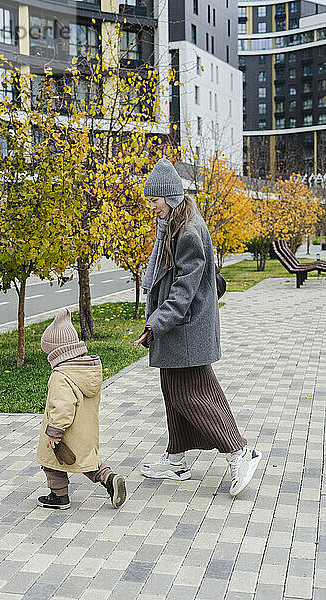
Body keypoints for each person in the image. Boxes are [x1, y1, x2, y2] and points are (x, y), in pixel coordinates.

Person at [134, 158, 261, 497]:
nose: (151, 205)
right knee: (175, 392)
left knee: (194, 396)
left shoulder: (187, 232)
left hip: (185, 329)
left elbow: (183, 291)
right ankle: (176, 459)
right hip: (181, 330)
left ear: (170, 197)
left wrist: (156, 323)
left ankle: (239, 453)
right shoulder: (174, 225)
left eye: (154, 199)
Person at [36, 308, 126, 509]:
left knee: (52, 461)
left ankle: (59, 496)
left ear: (57, 351)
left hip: (65, 433)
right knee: (88, 461)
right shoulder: (86, 370)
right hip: (86, 433)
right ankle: (109, 478)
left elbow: (62, 407)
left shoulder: (61, 376)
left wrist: (54, 432)